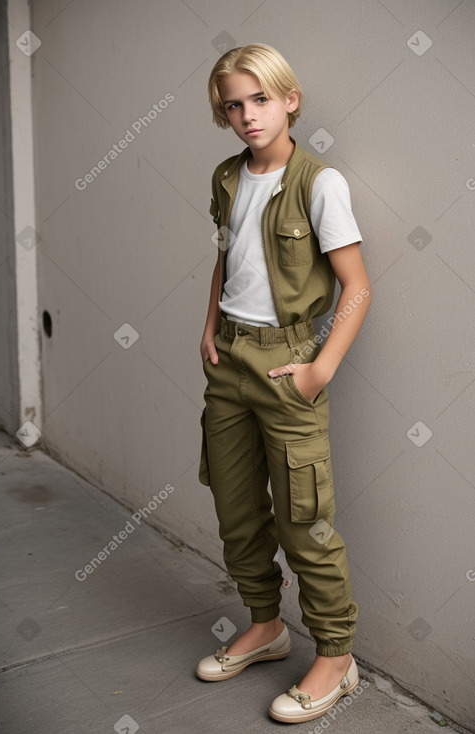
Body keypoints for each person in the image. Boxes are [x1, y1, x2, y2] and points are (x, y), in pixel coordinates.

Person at [196, 43, 371, 724]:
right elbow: (223, 258)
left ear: (289, 100)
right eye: (233, 104)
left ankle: (335, 655)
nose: (246, 115)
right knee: (236, 508)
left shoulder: (318, 183)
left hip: (286, 365)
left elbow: (356, 287)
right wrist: (207, 326)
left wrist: (318, 369)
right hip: (228, 361)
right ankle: (265, 626)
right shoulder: (225, 177)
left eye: (259, 99)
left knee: (305, 519)